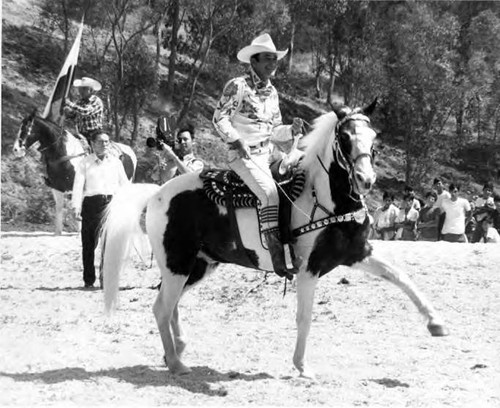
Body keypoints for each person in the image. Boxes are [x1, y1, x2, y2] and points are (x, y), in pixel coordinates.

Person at [212, 33, 303, 279]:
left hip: (269, 149)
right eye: (267, 59)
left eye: (275, 59)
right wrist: (235, 139)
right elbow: (219, 118)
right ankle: (277, 255)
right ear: (253, 60)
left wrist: (290, 130)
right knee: (269, 193)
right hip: (244, 154)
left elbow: (275, 129)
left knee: (304, 166)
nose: (272, 64)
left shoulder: (272, 91)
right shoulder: (238, 86)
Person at [71, 132, 130, 288]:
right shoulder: (85, 163)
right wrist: (76, 206)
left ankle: (106, 279)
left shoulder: (116, 163)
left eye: (106, 142)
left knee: (109, 244)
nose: (104, 145)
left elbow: (124, 184)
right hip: (91, 204)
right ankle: (88, 280)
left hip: (110, 204)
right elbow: (78, 185)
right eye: (100, 142)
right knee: (89, 244)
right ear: (93, 143)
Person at [64, 77, 104, 144]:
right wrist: (67, 112)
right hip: (81, 134)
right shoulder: (80, 102)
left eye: (84, 89)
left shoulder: (96, 100)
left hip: (94, 134)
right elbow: (73, 115)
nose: (81, 91)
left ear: (91, 90)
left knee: (95, 151)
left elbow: (85, 112)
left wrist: (69, 103)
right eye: (80, 88)